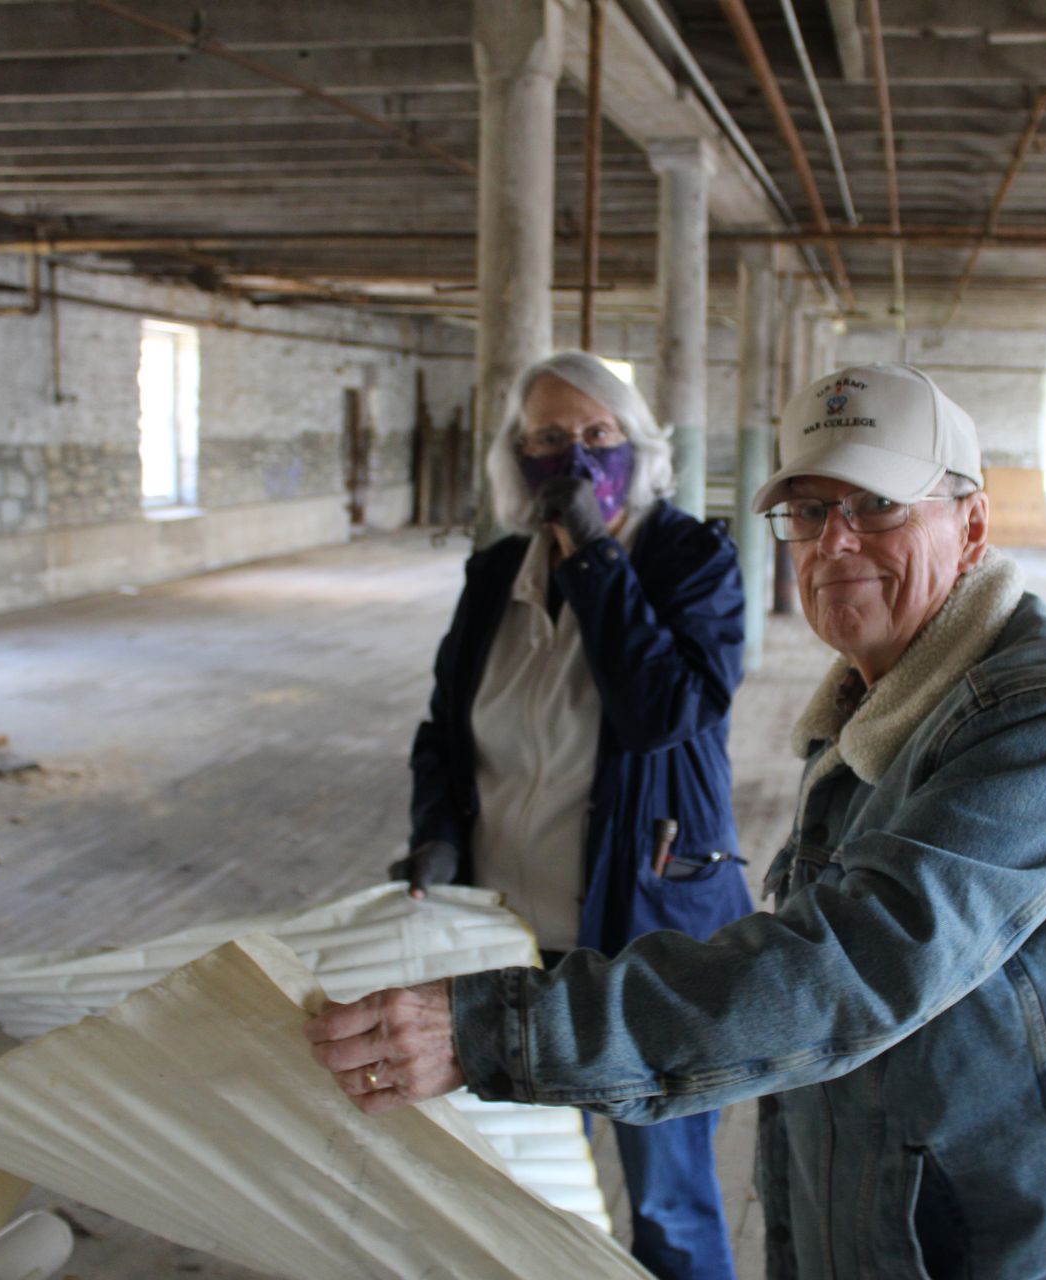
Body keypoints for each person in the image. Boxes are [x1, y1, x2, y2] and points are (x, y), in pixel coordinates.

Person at [319, 362, 1046, 1279]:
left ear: (969, 525)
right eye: (808, 512)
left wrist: (492, 1033)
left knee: (667, 1204)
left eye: (877, 505)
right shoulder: (865, 708)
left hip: (1001, 1239)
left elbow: (851, 968)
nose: (835, 542)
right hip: (872, 1220)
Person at [388, 350, 754, 1280]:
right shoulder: (494, 576)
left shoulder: (691, 560)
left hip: (646, 937)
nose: (577, 457)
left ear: (639, 448)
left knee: (667, 1194)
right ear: (520, 456)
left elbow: (663, 713)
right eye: (551, 438)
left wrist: (593, 552)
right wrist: (436, 829)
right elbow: (446, 729)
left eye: (600, 436)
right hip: (506, 942)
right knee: (527, 1189)